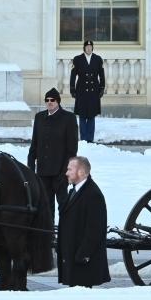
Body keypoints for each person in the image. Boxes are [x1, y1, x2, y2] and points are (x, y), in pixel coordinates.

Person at [57, 156, 110, 287]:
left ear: (81, 172)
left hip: (83, 263)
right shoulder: (76, 190)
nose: (66, 173)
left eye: (70, 169)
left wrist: (83, 255)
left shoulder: (93, 195)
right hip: (74, 258)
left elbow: (95, 230)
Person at [27, 87, 78, 217]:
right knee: (45, 206)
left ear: (58, 102)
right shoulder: (39, 117)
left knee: (64, 204)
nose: (49, 102)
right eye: (47, 100)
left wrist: (65, 171)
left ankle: (67, 231)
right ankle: (49, 234)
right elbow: (34, 144)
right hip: (43, 172)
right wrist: (30, 169)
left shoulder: (69, 118)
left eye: (53, 100)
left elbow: (72, 149)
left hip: (60, 172)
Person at [69, 40, 105, 143]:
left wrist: (102, 87)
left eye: (90, 47)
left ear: (92, 48)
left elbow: (101, 75)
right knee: (82, 115)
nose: (89, 48)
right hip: (81, 90)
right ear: (84, 48)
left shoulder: (98, 59)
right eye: (87, 47)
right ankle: (83, 139)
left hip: (94, 91)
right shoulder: (77, 59)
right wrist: (72, 89)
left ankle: (90, 139)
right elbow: (73, 75)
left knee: (91, 115)